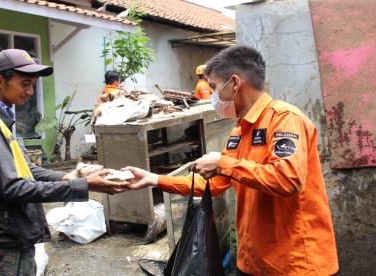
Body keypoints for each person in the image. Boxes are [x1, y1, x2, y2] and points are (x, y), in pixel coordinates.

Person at [124, 46, 339, 275]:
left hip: (296, 263)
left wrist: (222, 163)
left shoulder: (285, 119)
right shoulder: (239, 131)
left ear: (235, 83)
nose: (213, 97)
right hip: (253, 261)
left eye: (214, 87)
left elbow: (287, 179)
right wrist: (155, 180)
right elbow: (215, 185)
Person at [0, 49, 128, 276]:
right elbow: (13, 188)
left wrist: (67, 176)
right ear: (0, 81)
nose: (31, 92)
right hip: (6, 232)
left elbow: (25, 168)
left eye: (34, 84)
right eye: (25, 83)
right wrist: (85, 185)